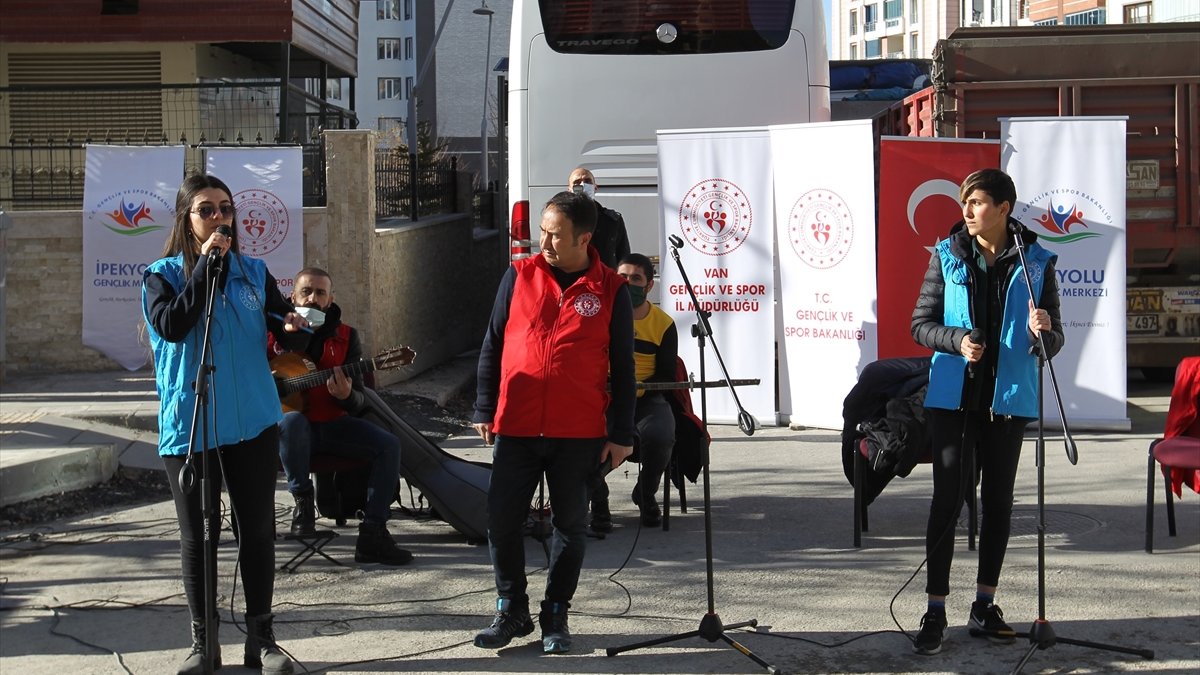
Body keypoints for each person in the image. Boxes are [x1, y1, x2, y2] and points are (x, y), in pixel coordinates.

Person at [142, 174, 304, 675]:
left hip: (253, 422)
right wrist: (205, 272)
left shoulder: (253, 273)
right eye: (206, 210)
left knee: (257, 531)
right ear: (186, 220)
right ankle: (203, 644)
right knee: (200, 536)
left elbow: (290, 329)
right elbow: (172, 325)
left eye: (225, 209)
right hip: (191, 424)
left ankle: (263, 640)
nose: (219, 218)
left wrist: (302, 322)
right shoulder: (161, 276)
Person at [472, 190, 636, 654]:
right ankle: (511, 608)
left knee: (571, 526)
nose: (544, 241)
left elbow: (623, 369)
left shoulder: (611, 289)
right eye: (542, 230)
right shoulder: (519, 275)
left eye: (555, 234)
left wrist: (621, 434)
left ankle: (555, 614)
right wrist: (485, 407)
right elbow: (492, 343)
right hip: (518, 426)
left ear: (584, 238)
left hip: (577, 431)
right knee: (501, 522)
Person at [909, 168, 1064, 656]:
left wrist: (1046, 330)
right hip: (954, 400)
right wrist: (957, 341)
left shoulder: (1036, 261)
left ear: (1003, 208)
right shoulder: (948, 254)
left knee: (999, 503)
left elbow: (1053, 343)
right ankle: (935, 610)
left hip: (1008, 401)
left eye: (976, 203)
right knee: (948, 501)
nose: (967, 212)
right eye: (964, 203)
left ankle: (984, 605)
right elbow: (920, 324)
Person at [268, 267, 412, 566]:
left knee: (389, 445)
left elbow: (360, 401)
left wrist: (347, 396)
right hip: (286, 433)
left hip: (333, 425)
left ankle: (373, 532)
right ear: (292, 296)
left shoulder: (346, 337)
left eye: (321, 293)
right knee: (292, 421)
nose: (313, 299)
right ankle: (303, 503)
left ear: (331, 299)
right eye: (306, 291)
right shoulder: (273, 333)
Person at [591, 253, 678, 531]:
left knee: (662, 435)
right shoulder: (598, 315)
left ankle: (645, 494)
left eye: (636, 279)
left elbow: (667, 373)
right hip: (604, 396)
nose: (628, 283)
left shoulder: (664, 324)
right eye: (622, 277)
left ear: (650, 285)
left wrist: (639, 387)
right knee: (582, 438)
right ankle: (598, 501)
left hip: (647, 398)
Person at [568, 166, 630, 268]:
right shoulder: (562, 219)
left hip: (604, 281)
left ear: (595, 187)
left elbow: (624, 258)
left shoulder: (612, 220)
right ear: (570, 189)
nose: (583, 185)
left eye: (587, 181)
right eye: (577, 182)